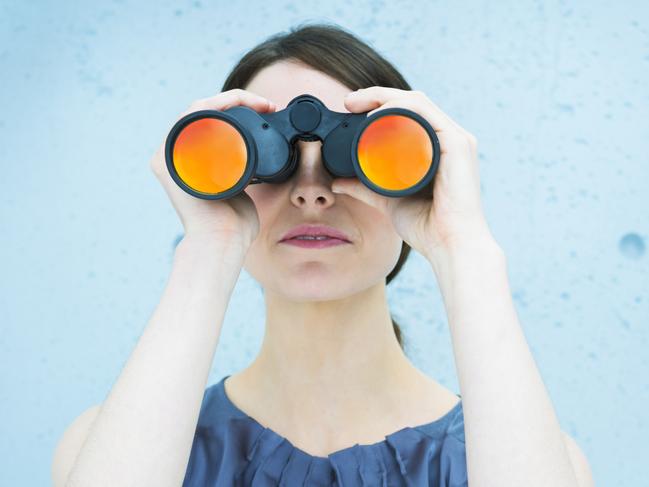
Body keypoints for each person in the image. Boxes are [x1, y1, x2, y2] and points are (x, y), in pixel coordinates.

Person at [52, 22, 593, 487]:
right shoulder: (113, 447)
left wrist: (465, 249)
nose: (311, 191)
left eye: (355, 155)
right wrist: (207, 249)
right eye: (271, 158)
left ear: (421, 180)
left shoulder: (531, 457)